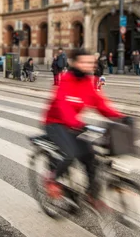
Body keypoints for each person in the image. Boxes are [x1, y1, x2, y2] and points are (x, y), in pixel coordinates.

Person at [44, 48, 125, 204]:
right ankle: (52, 179)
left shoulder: (87, 82)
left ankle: (91, 194)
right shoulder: (66, 79)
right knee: (70, 153)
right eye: (84, 62)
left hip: (74, 124)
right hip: (55, 123)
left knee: (90, 156)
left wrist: (120, 117)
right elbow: (62, 105)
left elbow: (100, 103)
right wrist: (74, 123)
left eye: (90, 62)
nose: (88, 66)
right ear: (74, 63)